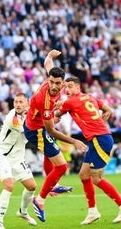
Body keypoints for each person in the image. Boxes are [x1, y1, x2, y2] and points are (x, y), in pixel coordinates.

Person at [55, 76, 121, 225]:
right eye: (66, 87)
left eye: (70, 86)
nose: (68, 89)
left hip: (99, 139)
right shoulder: (89, 97)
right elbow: (108, 110)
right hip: (99, 138)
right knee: (84, 175)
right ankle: (93, 212)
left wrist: (51, 115)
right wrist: (101, 122)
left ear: (78, 87)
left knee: (96, 178)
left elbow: (58, 113)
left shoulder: (71, 101)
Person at [23, 49, 87, 222]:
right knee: (62, 166)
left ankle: (54, 186)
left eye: (57, 83)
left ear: (62, 82)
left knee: (50, 155)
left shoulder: (55, 81)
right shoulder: (44, 101)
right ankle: (39, 200)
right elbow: (51, 130)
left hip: (38, 124)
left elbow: (47, 64)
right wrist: (74, 141)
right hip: (35, 130)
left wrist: (50, 56)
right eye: (51, 82)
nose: (53, 86)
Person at [0, 93, 37, 229]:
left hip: (17, 158)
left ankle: (23, 212)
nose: (17, 104)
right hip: (2, 155)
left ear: (27, 104)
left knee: (32, 186)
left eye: (20, 102)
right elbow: (29, 131)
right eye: (16, 102)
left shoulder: (30, 114)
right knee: (9, 185)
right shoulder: (12, 118)